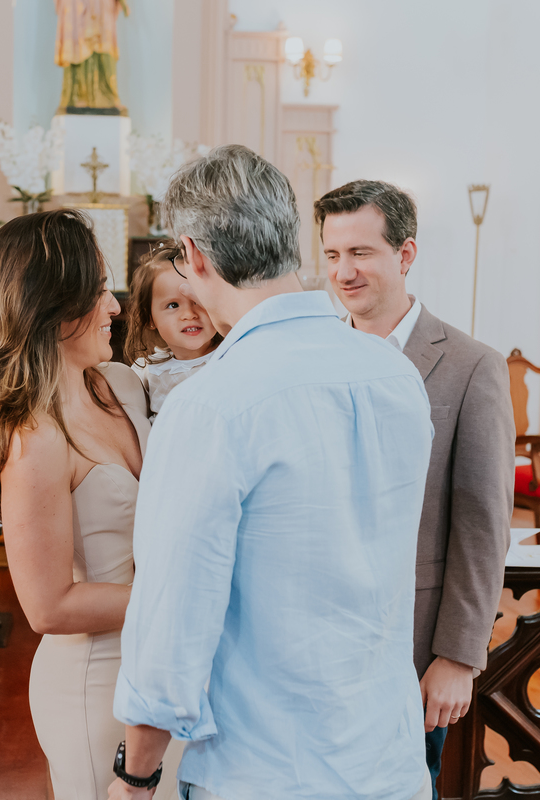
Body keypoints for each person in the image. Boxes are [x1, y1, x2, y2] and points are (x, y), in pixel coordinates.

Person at [109, 145, 434, 800]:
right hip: (388, 758)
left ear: (194, 256)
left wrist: (135, 774)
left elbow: (174, 613)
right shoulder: (394, 373)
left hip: (267, 770)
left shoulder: (212, 405)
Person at [0, 210, 181, 800]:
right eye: (101, 289)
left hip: (166, 664)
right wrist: (186, 598)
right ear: (54, 306)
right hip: (96, 681)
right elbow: (49, 606)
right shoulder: (35, 439)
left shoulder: (122, 385)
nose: (117, 307)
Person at [316, 180, 513, 798]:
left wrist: (458, 656)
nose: (343, 272)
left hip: (413, 642)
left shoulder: (470, 365)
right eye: (331, 255)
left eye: (361, 253)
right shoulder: (311, 353)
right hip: (313, 634)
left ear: (405, 255)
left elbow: (483, 525)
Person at [124, 239, 222, 418]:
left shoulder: (229, 357)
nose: (189, 314)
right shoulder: (147, 370)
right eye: (173, 305)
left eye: (197, 300)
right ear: (149, 318)